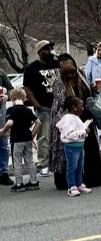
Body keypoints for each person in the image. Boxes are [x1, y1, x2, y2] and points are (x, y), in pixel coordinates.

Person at [48, 53, 101, 191]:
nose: (69, 75)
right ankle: (69, 182)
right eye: (65, 73)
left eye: (72, 71)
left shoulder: (81, 75)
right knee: (71, 154)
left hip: (85, 116)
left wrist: (96, 90)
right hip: (68, 119)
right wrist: (71, 124)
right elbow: (59, 106)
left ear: (76, 67)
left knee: (90, 148)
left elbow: (88, 93)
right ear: (60, 71)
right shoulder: (58, 83)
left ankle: (93, 179)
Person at [22, 39, 61, 176]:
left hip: (60, 105)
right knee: (44, 137)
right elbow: (27, 88)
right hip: (44, 106)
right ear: (40, 52)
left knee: (62, 134)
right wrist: (36, 103)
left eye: (50, 48)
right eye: (46, 48)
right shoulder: (32, 68)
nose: (49, 50)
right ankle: (44, 164)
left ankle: (59, 161)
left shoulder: (58, 63)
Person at [0, 87, 41, 191]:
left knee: (17, 161)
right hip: (27, 139)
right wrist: (32, 135)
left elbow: (10, 123)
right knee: (29, 160)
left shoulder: (11, 110)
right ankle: (33, 181)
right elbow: (38, 123)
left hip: (17, 140)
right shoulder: (28, 110)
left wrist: (3, 130)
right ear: (24, 98)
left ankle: (19, 184)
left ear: (12, 98)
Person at [56, 96, 92, 197]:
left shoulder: (75, 118)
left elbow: (78, 131)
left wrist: (86, 125)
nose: (83, 108)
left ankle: (79, 183)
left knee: (80, 167)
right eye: (81, 106)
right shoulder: (68, 119)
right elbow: (70, 134)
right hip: (71, 147)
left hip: (79, 145)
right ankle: (71, 186)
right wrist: (84, 131)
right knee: (72, 167)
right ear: (74, 107)